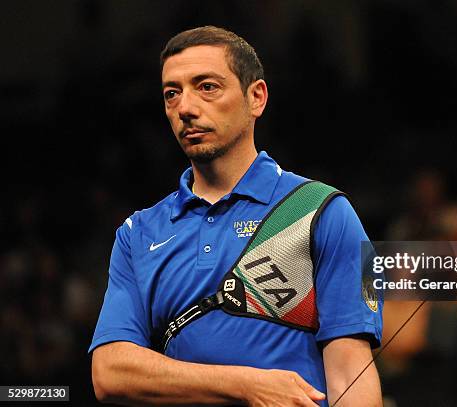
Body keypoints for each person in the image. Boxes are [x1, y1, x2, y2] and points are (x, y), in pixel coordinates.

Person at [89, 26, 383, 407]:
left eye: (207, 87)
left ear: (256, 97)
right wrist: (246, 385)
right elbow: (109, 371)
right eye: (171, 94)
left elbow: (351, 374)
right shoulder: (136, 233)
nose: (186, 108)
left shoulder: (327, 211)